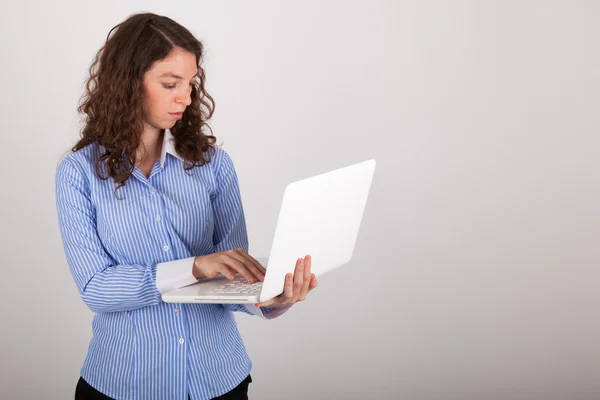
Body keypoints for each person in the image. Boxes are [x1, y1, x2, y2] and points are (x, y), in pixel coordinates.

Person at [55, 12, 317, 400]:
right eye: (170, 83)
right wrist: (193, 266)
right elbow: (96, 288)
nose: (186, 97)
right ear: (127, 83)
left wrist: (270, 298)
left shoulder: (214, 165)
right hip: (125, 382)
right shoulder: (78, 174)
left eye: (190, 83)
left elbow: (232, 276)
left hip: (218, 378)